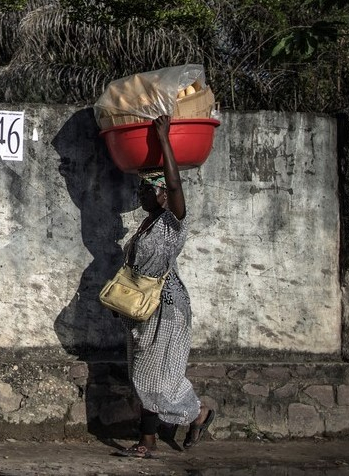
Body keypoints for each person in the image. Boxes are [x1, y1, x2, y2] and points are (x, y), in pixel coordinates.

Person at [117, 115, 215, 458]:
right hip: (144, 309)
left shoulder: (172, 221)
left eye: (148, 189)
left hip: (168, 308)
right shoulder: (146, 224)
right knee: (143, 373)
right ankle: (164, 431)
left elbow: (176, 187)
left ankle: (181, 421)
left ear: (162, 195)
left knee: (154, 376)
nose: (141, 193)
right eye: (141, 188)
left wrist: (164, 139)